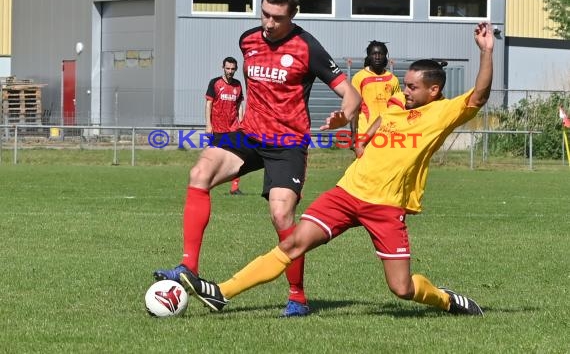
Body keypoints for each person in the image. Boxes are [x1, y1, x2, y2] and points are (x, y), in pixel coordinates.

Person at [177, 22, 494, 317]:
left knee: (402, 288)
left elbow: (479, 96)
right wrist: (358, 132)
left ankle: (446, 300)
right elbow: (385, 117)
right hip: (346, 194)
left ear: (433, 91)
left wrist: (486, 51)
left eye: (412, 87)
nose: (404, 91)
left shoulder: (442, 113)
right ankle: (221, 292)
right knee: (292, 244)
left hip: (385, 207)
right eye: (405, 85)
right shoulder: (398, 102)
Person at [153, 0, 361, 317]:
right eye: (264, 14)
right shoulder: (248, 40)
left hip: (287, 143)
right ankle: (188, 266)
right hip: (249, 134)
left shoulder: (308, 47)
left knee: (281, 215)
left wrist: (345, 115)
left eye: (277, 18)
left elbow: (351, 93)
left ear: (292, 15)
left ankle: (298, 296)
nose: (268, 23)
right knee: (199, 172)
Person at [350, 41, 401, 151]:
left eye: (381, 54)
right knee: (364, 166)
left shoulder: (393, 79)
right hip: (365, 131)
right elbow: (353, 107)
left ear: (385, 56)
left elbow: (398, 107)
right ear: (369, 56)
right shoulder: (359, 77)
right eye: (374, 54)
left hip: (388, 131)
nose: (377, 57)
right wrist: (353, 133)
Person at [205, 56, 245, 195]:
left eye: (233, 69)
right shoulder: (215, 83)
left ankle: (234, 187)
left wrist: (241, 122)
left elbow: (239, 104)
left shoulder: (238, 84)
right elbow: (209, 103)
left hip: (234, 127)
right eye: (227, 68)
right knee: (213, 157)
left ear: (236, 69)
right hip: (217, 127)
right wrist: (208, 124)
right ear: (222, 67)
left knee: (237, 156)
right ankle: (206, 184)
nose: (230, 71)